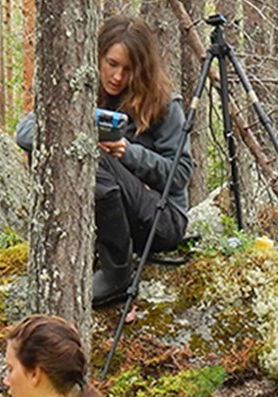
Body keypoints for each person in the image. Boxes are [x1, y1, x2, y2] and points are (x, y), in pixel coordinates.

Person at [16, 14, 194, 307]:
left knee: (94, 156)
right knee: (65, 146)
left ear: (142, 70)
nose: (118, 77)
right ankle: (66, 244)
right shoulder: (82, 90)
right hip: (109, 218)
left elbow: (179, 175)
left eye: (128, 69)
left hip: (160, 221)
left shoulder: (164, 105)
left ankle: (118, 272)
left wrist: (128, 153)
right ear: (97, 58)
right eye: (112, 64)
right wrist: (75, 127)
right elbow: (24, 133)